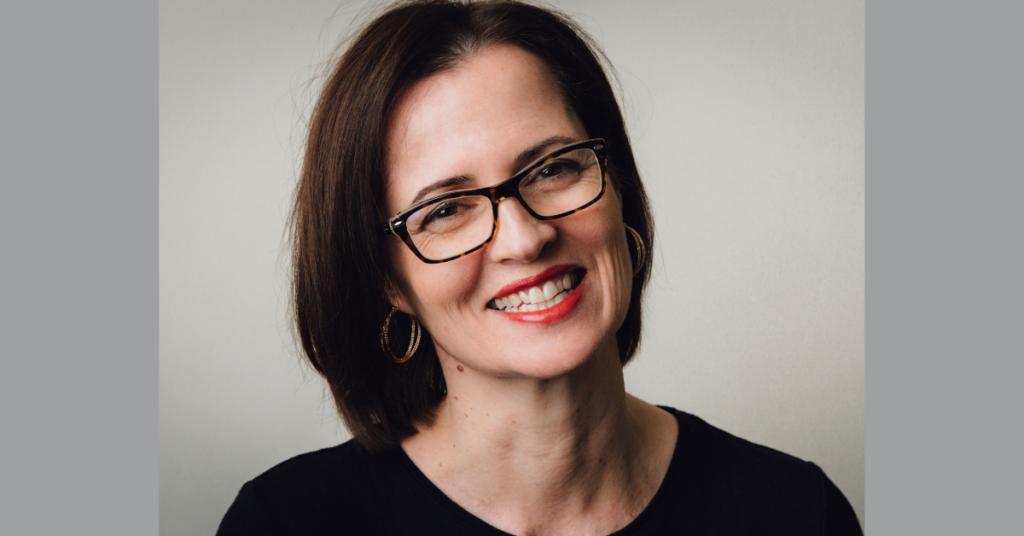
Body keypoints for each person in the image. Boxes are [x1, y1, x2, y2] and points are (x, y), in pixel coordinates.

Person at [218, 1, 862, 534]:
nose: (524, 238)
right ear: (387, 280)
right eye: (445, 209)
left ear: (618, 189)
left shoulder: (798, 513)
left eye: (554, 168)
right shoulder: (285, 523)